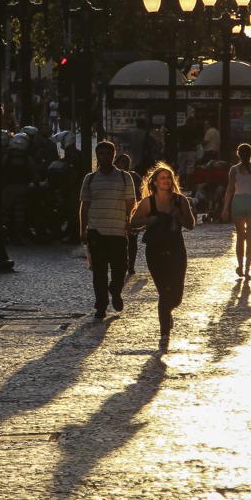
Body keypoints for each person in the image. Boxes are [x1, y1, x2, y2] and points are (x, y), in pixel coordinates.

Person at [130, 162, 195, 349]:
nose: (166, 181)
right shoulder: (148, 202)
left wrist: (177, 215)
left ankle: (167, 313)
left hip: (176, 250)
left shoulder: (180, 200)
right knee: (164, 293)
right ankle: (164, 334)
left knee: (176, 297)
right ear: (155, 183)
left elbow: (190, 224)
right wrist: (149, 219)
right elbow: (133, 222)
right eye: (162, 178)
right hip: (155, 250)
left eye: (168, 178)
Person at [79, 141, 136, 319]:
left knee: (120, 267)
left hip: (118, 230)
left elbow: (131, 203)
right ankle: (101, 305)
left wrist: (129, 221)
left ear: (113, 155)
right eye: (101, 153)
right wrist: (82, 229)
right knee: (99, 271)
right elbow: (84, 205)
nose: (104, 157)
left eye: (107, 153)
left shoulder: (125, 178)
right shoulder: (90, 178)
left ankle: (115, 289)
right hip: (96, 231)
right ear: (98, 156)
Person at [221, 143, 251, 280]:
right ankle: (248, 269)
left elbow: (230, 190)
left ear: (238, 154)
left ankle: (240, 266)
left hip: (238, 202)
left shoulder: (234, 170)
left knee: (240, 237)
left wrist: (225, 208)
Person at [116, 153, 143, 276]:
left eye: (126, 162)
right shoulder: (113, 177)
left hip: (132, 212)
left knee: (132, 240)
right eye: (122, 162)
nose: (124, 165)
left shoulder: (134, 176)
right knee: (120, 241)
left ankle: (131, 265)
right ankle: (123, 264)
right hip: (117, 213)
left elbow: (142, 192)